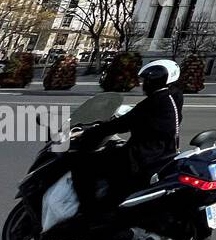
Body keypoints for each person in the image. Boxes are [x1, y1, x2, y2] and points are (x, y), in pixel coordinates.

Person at [74, 60, 184, 215]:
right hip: (167, 151)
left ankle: (91, 212)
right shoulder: (174, 96)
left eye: (147, 80)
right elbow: (137, 117)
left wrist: (87, 132)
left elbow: (122, 124)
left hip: (142, 156)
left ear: (157, 81)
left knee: (83, 166)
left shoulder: (155, 101)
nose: (143, 84)